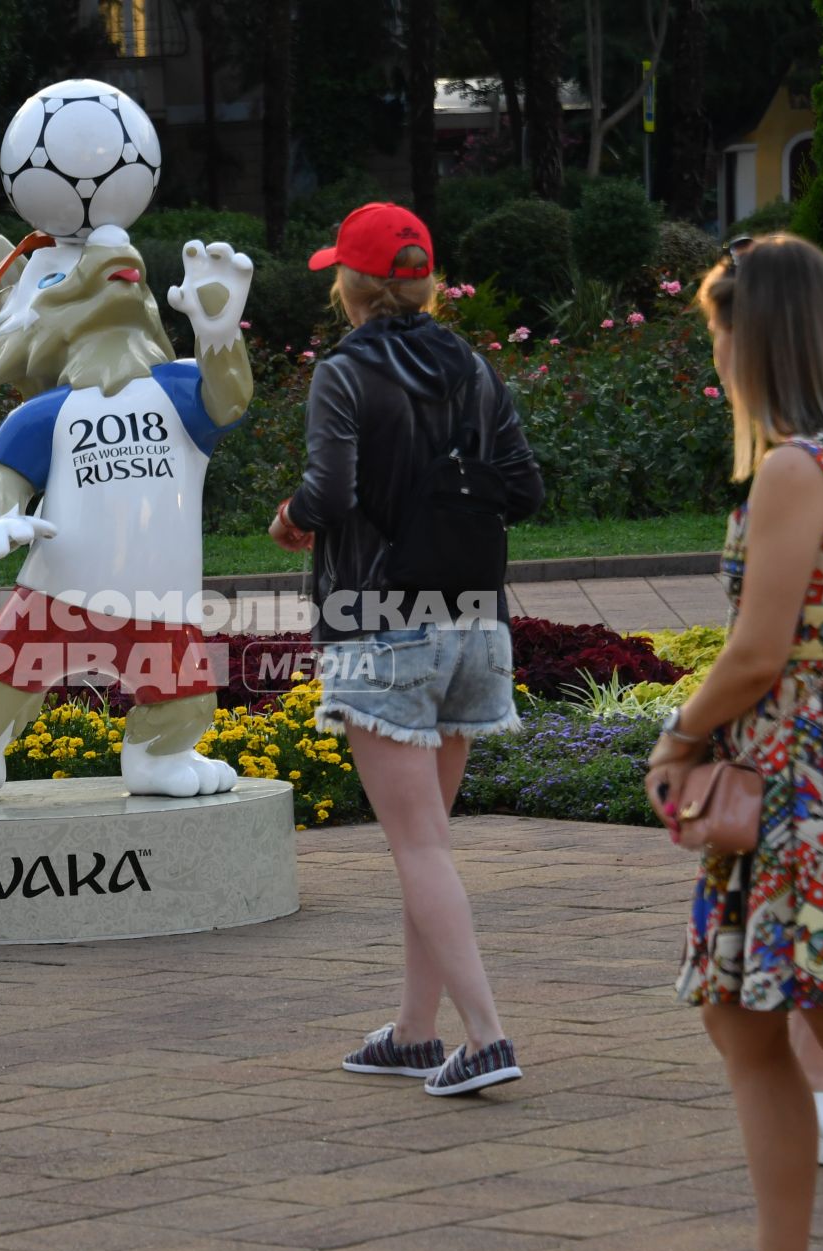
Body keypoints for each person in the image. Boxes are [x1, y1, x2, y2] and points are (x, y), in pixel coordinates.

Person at [645, 234, 823, 1251]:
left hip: (796, 756)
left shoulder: (797, 468)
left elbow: (756, 650)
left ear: (764, 339)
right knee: (781, 1016)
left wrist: (677, 734)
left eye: (720, 332)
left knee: (818, 1020)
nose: (716, 355)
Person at [275, 203, 544, 1096]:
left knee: (418, 847)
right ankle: (415, 1032)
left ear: (349, 287)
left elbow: (330, 489)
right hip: (473, 620)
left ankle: (488, 1039)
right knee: (426, 843)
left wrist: (290, 519)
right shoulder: (473, 365)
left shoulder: (344, 373)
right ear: (425, 281)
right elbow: (525, 485)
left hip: (379, 619)